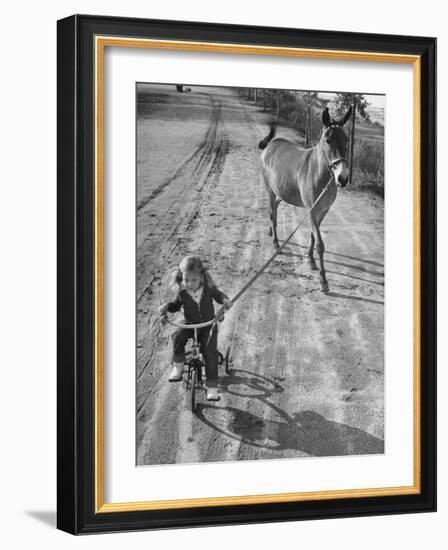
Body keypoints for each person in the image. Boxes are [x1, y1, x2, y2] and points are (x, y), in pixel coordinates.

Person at [158, 256, 232, 401]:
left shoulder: (209, 289)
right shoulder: (182, 293)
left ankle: (211, 386)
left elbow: (218, 295)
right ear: (181, 278)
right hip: (190, 323)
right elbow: (174, 305)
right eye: (186, 280)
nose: (190, 284)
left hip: (207, 325)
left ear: (202, 278)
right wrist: (166, 307)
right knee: (177, 335)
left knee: (210, 353)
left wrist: (225, 300)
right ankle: (178, 365)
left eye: (194, 280)